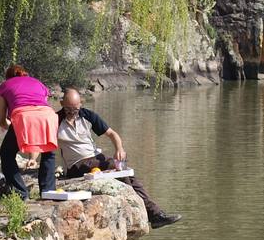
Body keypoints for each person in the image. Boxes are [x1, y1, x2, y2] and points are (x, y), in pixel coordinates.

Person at [56, 87, 182, 228]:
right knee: (114, 166)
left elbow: (112, 134)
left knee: (127, 172)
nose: (72, 113)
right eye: (68, 109)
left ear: (81, 104)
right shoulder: (56, 120)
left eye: (75, 109)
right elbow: (42, 143)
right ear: (62, 104)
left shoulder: (87, 116)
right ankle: (149, 212)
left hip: (94, 158)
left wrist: (119, 149)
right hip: (76, 164)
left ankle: (155, 213)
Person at [0, 64, 60, 200]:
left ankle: (20, 193)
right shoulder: (38, 83)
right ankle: (48, 192)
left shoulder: (4, 86)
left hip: (23, 116)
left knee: (6, 153)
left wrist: (11, 128)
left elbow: (1, 118)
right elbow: (41, 106)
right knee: (48, 152)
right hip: (48, 115)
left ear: (8, 76)